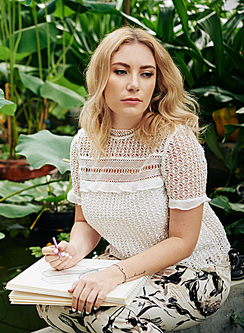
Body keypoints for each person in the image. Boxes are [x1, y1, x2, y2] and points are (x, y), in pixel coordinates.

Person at [37, 27, 231, 332]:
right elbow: (85, 223)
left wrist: (115, 273)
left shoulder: (175, 141)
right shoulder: (83, 144)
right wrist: (74, 250)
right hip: (124, 262)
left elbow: (184, 241)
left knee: (114, 320)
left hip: (192, 271)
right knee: (49, 305)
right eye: (120, 71)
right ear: (101, 77)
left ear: (158, 81)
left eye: (146, 74)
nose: (133, 85)